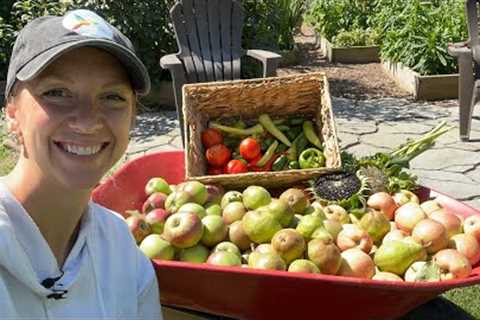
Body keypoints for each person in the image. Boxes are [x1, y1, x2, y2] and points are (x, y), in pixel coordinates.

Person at [1, 9, 163, 319]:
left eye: (112, 97)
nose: (88, 121)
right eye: (57, 92)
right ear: (12, 114)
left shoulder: (119, 247)